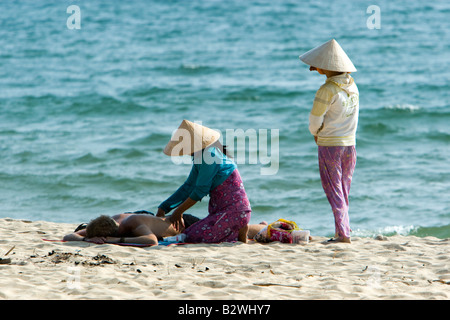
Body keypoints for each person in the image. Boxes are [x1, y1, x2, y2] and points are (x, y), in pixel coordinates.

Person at [299, 39, 359, 243]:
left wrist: (316, 133)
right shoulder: (352, 87)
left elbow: (314, 119)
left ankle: (343, 234)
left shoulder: (327, 90)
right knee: (344, 189)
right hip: (350, 144)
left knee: (334, 190)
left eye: (317, 65)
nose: (313, 68)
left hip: (330, 145)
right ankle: (343, 230)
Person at [157, 120, 251, 243]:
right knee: (189, 232)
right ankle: (239, 229)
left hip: (234, 211)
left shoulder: (209, 156)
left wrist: (178, 211)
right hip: (221, 212)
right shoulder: (200, 157)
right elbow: (188, 186)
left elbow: (200, 190)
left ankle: (240, 226)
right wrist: (164, 207)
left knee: (192, 237)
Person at [63, 212, 200, 245]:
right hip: (152, 218)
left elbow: (152, 241)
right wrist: (88, 239)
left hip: (184, 223)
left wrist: (114, 240)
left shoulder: (133, 223)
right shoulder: (112, 221)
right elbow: (68, 236)